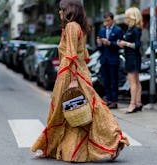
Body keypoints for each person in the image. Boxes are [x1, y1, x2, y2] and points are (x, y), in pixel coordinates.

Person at [31, 0, 129, 162]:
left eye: (61, 10)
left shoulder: (71, 27)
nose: (59, 12)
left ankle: (113, 140)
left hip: (71, 73)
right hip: (78, 71)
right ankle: (61, 148)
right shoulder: (77, 27)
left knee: (64, 112)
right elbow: (84, 55)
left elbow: (71, 54)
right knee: (84, 110)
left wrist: (74, 79)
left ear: (69, 10)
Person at [117, 7, 143, 113]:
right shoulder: (132, 29)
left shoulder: (135, 29)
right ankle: (138, 102)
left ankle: (132, 104)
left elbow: (137, 45)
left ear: (132, 17)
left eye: (127, 17)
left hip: (132, 58)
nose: (126, 19)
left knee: (133, 82)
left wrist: (125, 43)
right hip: (131, 56)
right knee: (136, 81)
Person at [96, 12, 123, 109]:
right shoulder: (102, 31)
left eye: (108, 20)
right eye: (105, 20)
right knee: (106, 81)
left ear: (112, 20)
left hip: (113, 59)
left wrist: (110, 43)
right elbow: (99, 48)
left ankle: (114, 101)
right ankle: (108, 99)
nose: (106, 22)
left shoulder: (118, 30)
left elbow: (120, 44)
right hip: (104, 59)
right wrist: (99, 43)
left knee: (113, 81)